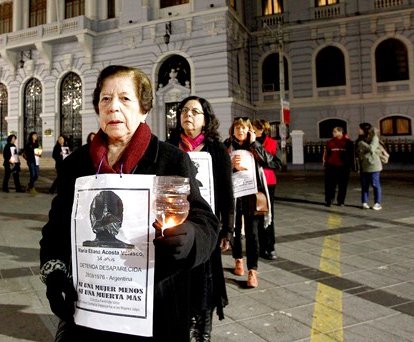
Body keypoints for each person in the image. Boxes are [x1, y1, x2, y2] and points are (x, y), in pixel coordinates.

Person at [39, 65, 218, 340]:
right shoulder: (77, 164)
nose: (113, 108)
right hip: (90, 311)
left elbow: (205, 221)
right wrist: (54, 275)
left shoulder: (170, 160)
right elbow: (55, 230)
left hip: (155, 309)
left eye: (125, 99)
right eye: (105, 99)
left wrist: (191, 237)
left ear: (143, 109)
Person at [168, 95, 233, 341]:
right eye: (184, 110)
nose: (188, 115)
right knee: (180, 278)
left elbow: (227, 192)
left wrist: (228, 229)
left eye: (195, 111)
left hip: (207, 225)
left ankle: (203, 332)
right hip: (177, 225)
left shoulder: (217, 151)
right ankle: (183, 324)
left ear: (205, 119)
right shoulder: (170, 147)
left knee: (206, 278)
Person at [224, 117, 277, 288]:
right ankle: (238, 259)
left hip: (252, 195)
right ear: (232, 130)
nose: (240, 131)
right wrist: (230, 165)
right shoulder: (227, 145)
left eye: (244, 128)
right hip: (234, 195)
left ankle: (252, 271)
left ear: (250, 130)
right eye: (237, 127)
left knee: (253, 233)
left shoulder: (254, 146)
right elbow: (218, 169)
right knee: (236, 231)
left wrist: (255, 145)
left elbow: (274, 162)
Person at [252, 119, 282, 260]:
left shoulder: (272, 143)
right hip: (251, 182)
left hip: (267, 182)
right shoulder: (247, 142)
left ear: (261, 129)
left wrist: (262, 159)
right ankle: (257, 246)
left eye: (253, 128)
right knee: (254, 216)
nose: (250, 130)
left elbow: (277, 163)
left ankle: (269, 247)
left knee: (267, 215)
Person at [322, 126, 354, 207]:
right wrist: (325, 162)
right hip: (331, 166)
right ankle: (329, 200)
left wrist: (350, 165)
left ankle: (341, 201)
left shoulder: (347, 142)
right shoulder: (330, 142)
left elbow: (351, 155)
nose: (333, 133)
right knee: (330, 184)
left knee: (343, 185)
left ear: (340, 132)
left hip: (343, 167)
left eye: (334, 131)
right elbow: (326, 153)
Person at [356, 122, 383, 210]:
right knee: (364, 185)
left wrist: (361, 143)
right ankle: (364, 202)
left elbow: (372, 148)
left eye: (360, 129)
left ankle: (377, 203)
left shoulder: (374, 137)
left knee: (375, 184)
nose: (358, 130)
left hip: (373, 165)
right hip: (364, 165)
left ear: (365, 130)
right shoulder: (360, 139)